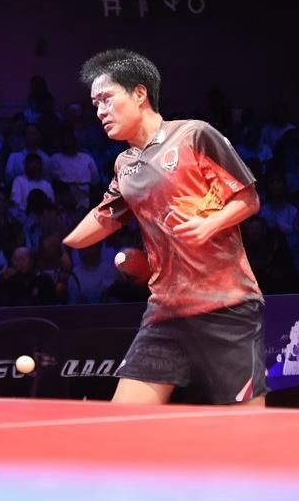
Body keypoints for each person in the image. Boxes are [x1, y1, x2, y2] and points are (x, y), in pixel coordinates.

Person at [63, 49, 265, 406]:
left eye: (107, 99)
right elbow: (105, 215)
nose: (100, 112)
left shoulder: (193, 135)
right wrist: (64, 245)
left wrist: (209, 224)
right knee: (120, 423)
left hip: (226, 306)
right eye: (95, 104)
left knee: (248, 430)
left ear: (139, 93)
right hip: (165, 313)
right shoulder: (124, 164)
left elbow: (248, 199)